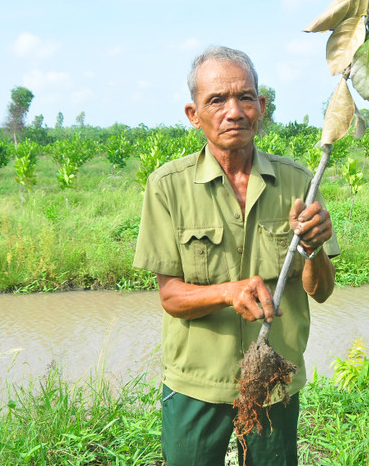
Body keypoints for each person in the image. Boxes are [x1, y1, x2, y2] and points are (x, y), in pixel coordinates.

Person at [133, 45, 339, 466]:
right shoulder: (167, 186)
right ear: (193, 114)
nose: (234, 112)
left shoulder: (298, 181)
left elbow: (320, 291)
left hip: (274, 382)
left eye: (245, 97)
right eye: (217, 100)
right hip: (197, 383)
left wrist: (313, 249)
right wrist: (228, 292)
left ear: (261, 107)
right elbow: (170, 297)